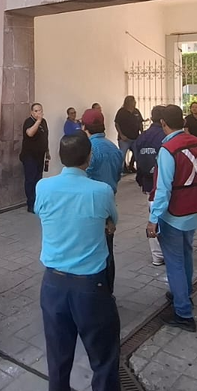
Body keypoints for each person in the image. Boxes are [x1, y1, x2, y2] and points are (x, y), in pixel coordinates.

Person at [35, 133, 120, 391]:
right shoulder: (101, 191)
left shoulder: (43, 186)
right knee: (104, 358)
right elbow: (112, 222)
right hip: (90, 286)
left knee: (58, 358)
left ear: (61, 157)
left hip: (52, 283)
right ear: (89, 158)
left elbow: (41, 211)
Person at [147, 105, 197, 332]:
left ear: (163, 123)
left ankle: (183, 312)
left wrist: (154, 218)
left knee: (174, 261)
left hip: (174, 213)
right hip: (195, 207)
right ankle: (184, 293)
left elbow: (163, 189)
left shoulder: (168, 149)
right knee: (186, 253)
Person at [81, 107, 123, 291]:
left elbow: (84, 179)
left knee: (91, 252)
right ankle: (108, 291)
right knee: (108, 250)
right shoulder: (114, 148)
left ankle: (94, 292)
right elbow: (118, 175)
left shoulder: (89, 150)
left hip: (90, 208)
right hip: (108, 204)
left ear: (84, 127)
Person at [132, 105, 168, 267]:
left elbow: (137, 158)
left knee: (153, 214)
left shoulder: (143, 137)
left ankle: (156, 255)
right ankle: (167, 252)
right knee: (166, 217)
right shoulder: (166, 136)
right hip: (164, 182)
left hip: (148, 182)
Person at [20, 102, 50, 213]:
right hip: (29, 156)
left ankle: (37, 201)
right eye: (36, 111)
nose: (39, 113)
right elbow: (30, 133)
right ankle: (30, 203)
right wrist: (38, 121)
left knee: (38, 179)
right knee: (30, 179)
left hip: (40, 155)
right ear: (32, 112)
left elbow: (45, 137)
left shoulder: (44, 122)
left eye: (40, 110)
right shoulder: (29, 122)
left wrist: (47, 151)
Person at [114, 96, 144, 173]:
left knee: (137, 154)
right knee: (122, 155)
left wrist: (142, 132)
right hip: (125, 138)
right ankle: (120, 171)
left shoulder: (136, 111)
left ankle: (133, 167)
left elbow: (140, 122)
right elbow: (117, 123)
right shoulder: (121, 112)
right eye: (133, 101)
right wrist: (121, 134)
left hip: (135, 137)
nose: (135, 102)